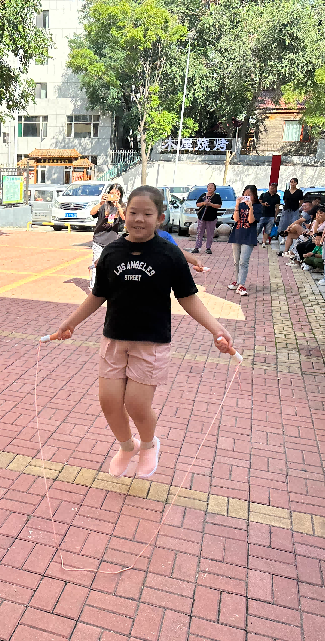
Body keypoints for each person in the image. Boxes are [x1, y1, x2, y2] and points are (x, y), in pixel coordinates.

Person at [52, 185, 233, 479]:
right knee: (109, 401)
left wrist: (216, 328)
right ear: (125, 216)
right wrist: (70, 322)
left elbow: (188, 297)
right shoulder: (112, 252)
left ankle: (149, 444)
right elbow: (98, 295)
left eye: (147, 214)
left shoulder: (170, 254)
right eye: (133, 212)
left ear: (159, 218)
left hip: (151, 342)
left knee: (136, 404)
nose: (138, 219)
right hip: (114, 339)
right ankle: (127, 445)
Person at [89, 183, 124, 289]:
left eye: (116, 194)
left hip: (113, 242)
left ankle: (110, 286)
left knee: (112, 265)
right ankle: (94, 288)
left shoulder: (122, 206)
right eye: (111, 193)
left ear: (120, 195)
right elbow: (92, 212)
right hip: (99, 239)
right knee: (97, 264)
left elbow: (125, 218)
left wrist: (117, 205)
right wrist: (101, 203)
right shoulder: (103, 205)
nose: (113, 196)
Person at [227, 185, 260, 296]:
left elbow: (251, 221)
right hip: (237, 234)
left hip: (249, 236)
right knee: (236, 261)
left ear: (254, 195)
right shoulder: (240, 205)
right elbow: (236, 219)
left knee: (243, 262)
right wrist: (237, 204)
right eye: (245, 194)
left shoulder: (258, 206)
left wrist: (250, 207)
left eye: (249, 195)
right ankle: (237, 281)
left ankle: (241, 284)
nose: (246, 196)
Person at [188, 183, 222, 254]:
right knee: (199, 232)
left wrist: (211, 204)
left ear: (214, 189)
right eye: (209, 187)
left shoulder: (217, 196)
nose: (210, 188)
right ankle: (197, 247)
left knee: (210, 233)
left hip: (212, 218)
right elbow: (197, 204)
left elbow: (219, 206)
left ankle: (208, 248)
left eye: (211, 187)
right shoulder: (203, 195)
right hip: (202, 217)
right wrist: (204, 203)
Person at [258, 182, 281, 247]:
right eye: (272, 187)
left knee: (268, 230)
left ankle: (264, 242)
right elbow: (258, 203)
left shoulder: (277, 197)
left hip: (271, 215)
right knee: (258, 228)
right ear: (269, 187)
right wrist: (263, 204)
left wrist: (275, 216)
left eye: (274, 187)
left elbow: (277, 207)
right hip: (262, 214)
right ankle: (253, 240)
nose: (273, 188)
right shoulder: (264, 195)